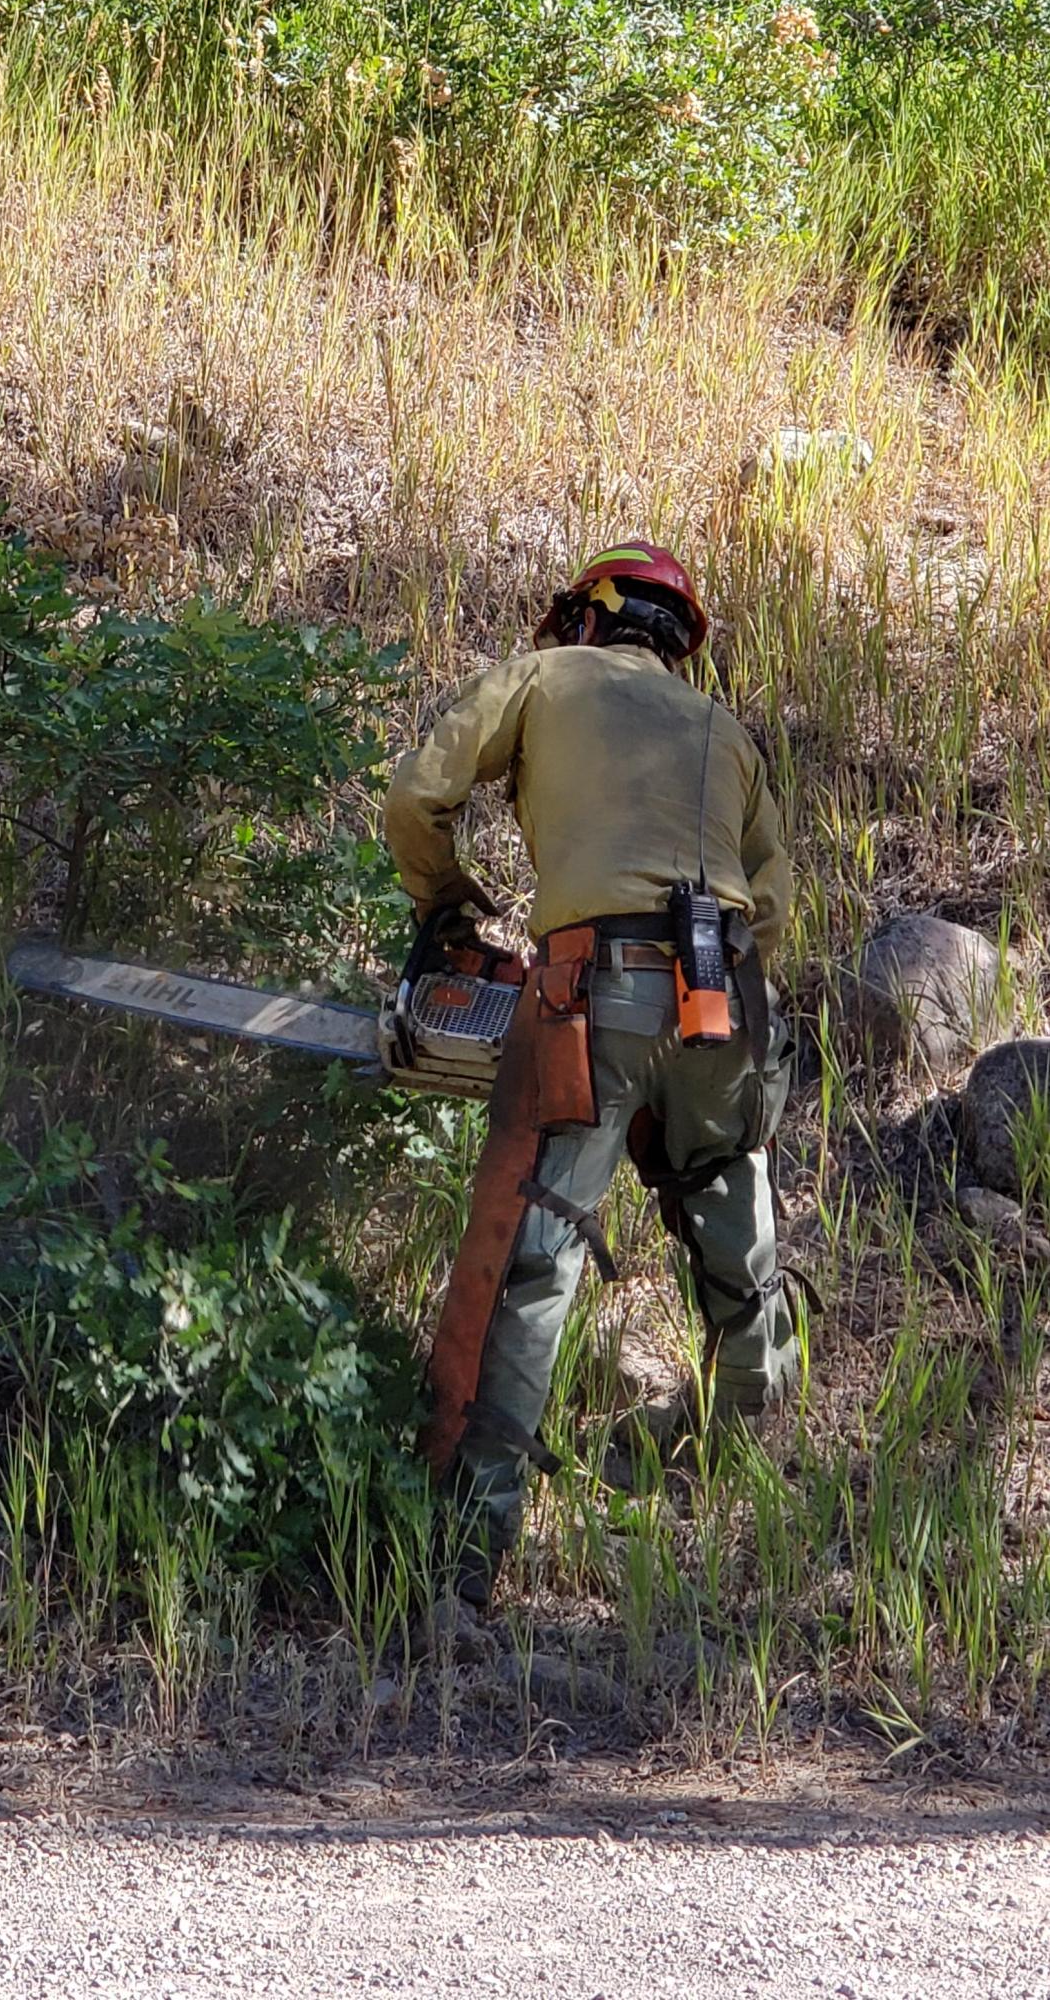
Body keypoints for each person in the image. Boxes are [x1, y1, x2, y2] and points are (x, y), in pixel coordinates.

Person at [383, 543, 799, 1605]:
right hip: (733, 999)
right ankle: (749, 1464)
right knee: (735, 1225)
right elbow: (777, 902)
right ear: (678, 639)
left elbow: (418, 789)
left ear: (587, 616)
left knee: (538, 1260)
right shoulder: (728, 733)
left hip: (593, 991)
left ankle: (466, 1552)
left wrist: (444, 901)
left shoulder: (544, 676)